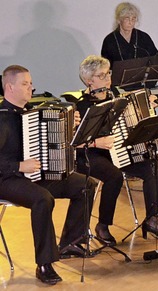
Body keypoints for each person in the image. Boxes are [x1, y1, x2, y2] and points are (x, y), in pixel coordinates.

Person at [0, 65, 97, 285]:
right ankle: (44, 264)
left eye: (31, 83)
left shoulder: (32, 114)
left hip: (34, 175)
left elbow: (51, 145)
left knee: (86, 185)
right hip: (6, 179)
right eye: (25, 84)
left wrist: (68, 128)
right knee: (42, 199)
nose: (31, 88)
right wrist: (18, 166)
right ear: (9, 87)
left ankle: (71, 243)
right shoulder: (1, 118)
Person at [75, 55, 158, 243]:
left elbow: (132, 120)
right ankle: (103, 225)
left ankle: (152, 219)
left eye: (108, 74)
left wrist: (147, 106)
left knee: (152, 166)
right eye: (102, 75)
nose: (107, 78)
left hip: (118, 152)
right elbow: (77, 141)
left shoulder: (116, 96)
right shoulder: (82, 105)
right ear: (89, 81)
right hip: (92, 153)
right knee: (113, 176)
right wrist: (99, 142)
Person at [100, 2, 158, 82]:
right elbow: (104, 69)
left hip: (143, 85)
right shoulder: (109, 40)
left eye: (133, 19)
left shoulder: (143, 37)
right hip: (119, 88)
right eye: (127, 18)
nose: (130, 22)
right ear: (119, 20)